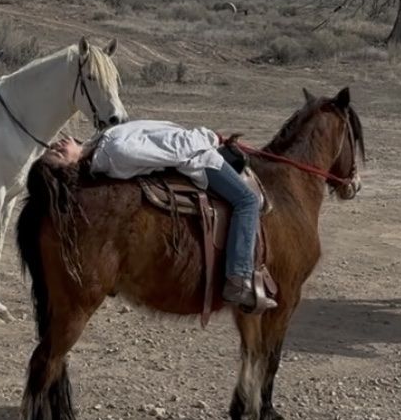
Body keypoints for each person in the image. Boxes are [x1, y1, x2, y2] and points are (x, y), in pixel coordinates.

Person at [46, 120, 276, 312]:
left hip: (195, 146)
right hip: (199, 157)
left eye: (53, 147)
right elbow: (173, 150)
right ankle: (238, 278)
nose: (58, 145)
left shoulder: (99, 143)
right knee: (247, 200)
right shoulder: (116, 153)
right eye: (59, 153)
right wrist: (207, 138)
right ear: (70, 165)